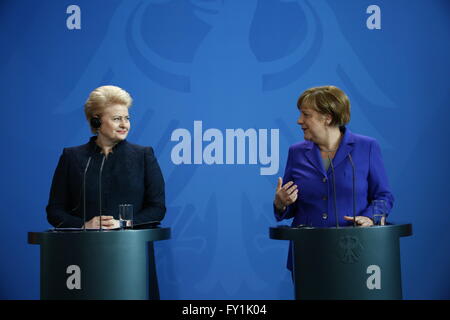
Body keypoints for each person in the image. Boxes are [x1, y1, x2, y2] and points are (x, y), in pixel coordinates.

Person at [273, 85, 394, 270]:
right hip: (308, 255)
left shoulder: (366, 147)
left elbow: (384, 197)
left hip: (354, 253)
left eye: (306, 115)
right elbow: (290, 206)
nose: (299, 121)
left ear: (327, 118)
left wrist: (370, 218)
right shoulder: (296, 152)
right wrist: (281, 203)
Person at [46, 85, 166, 229]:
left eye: (127, 118)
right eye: (116, 119)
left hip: (131, 247)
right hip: (82, 247)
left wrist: (124, 223)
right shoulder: (71, 157)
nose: (124, 125)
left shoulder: (143, 156)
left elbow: (157, 208)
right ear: (96, 121)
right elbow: (55, 210)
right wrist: (84, 225)